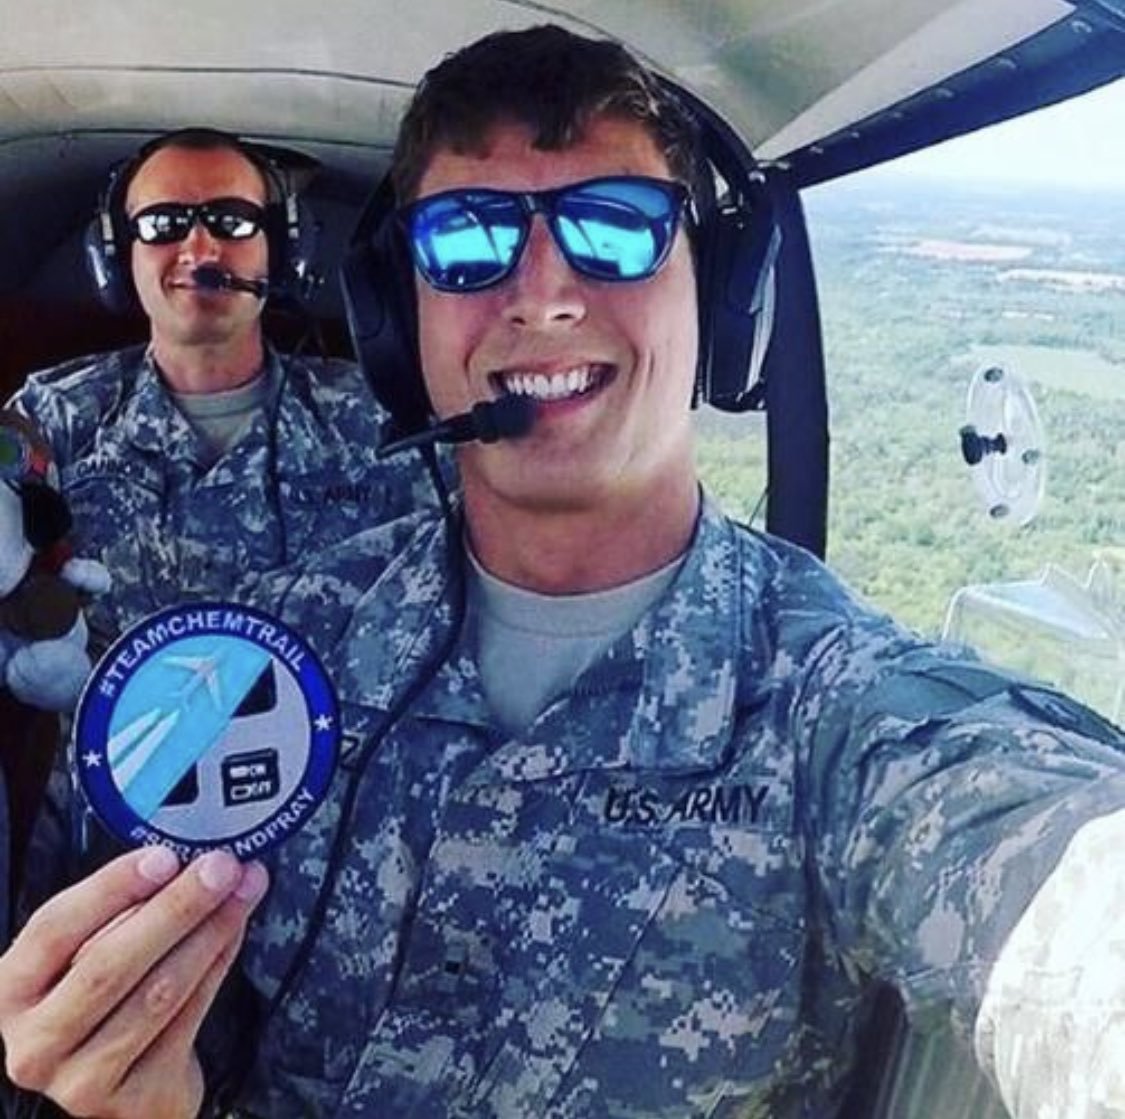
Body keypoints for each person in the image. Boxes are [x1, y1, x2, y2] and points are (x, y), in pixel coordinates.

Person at [3, 27, 1125, 1119]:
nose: (541, 295)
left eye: (616, 226)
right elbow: (105, 1008)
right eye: (468, 239)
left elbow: (1065, 889)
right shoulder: (247, 659)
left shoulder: (843, 711)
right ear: (400, 312)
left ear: (718, 292)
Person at [6, 127, 437, 652]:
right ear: (118, 258)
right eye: (162, 224)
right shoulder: (51, 420)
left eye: (232, 221)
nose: (200, 248)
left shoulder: (383, 419)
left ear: (281, 252)